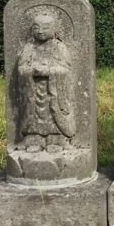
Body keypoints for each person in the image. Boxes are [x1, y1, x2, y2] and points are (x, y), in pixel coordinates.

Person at [14, 12, 76, 152]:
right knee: (33, 114)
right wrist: (31, 71)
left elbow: (66, 70)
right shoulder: (29, 48)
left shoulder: (59, 47)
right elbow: (21, 68)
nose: (40, 31)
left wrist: (48, 71)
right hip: (33, 91)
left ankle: (56, 139)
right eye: (36, 28)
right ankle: (34, 138)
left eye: (45, 27)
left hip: (53, 91)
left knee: (53, 114)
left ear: (54, 29)